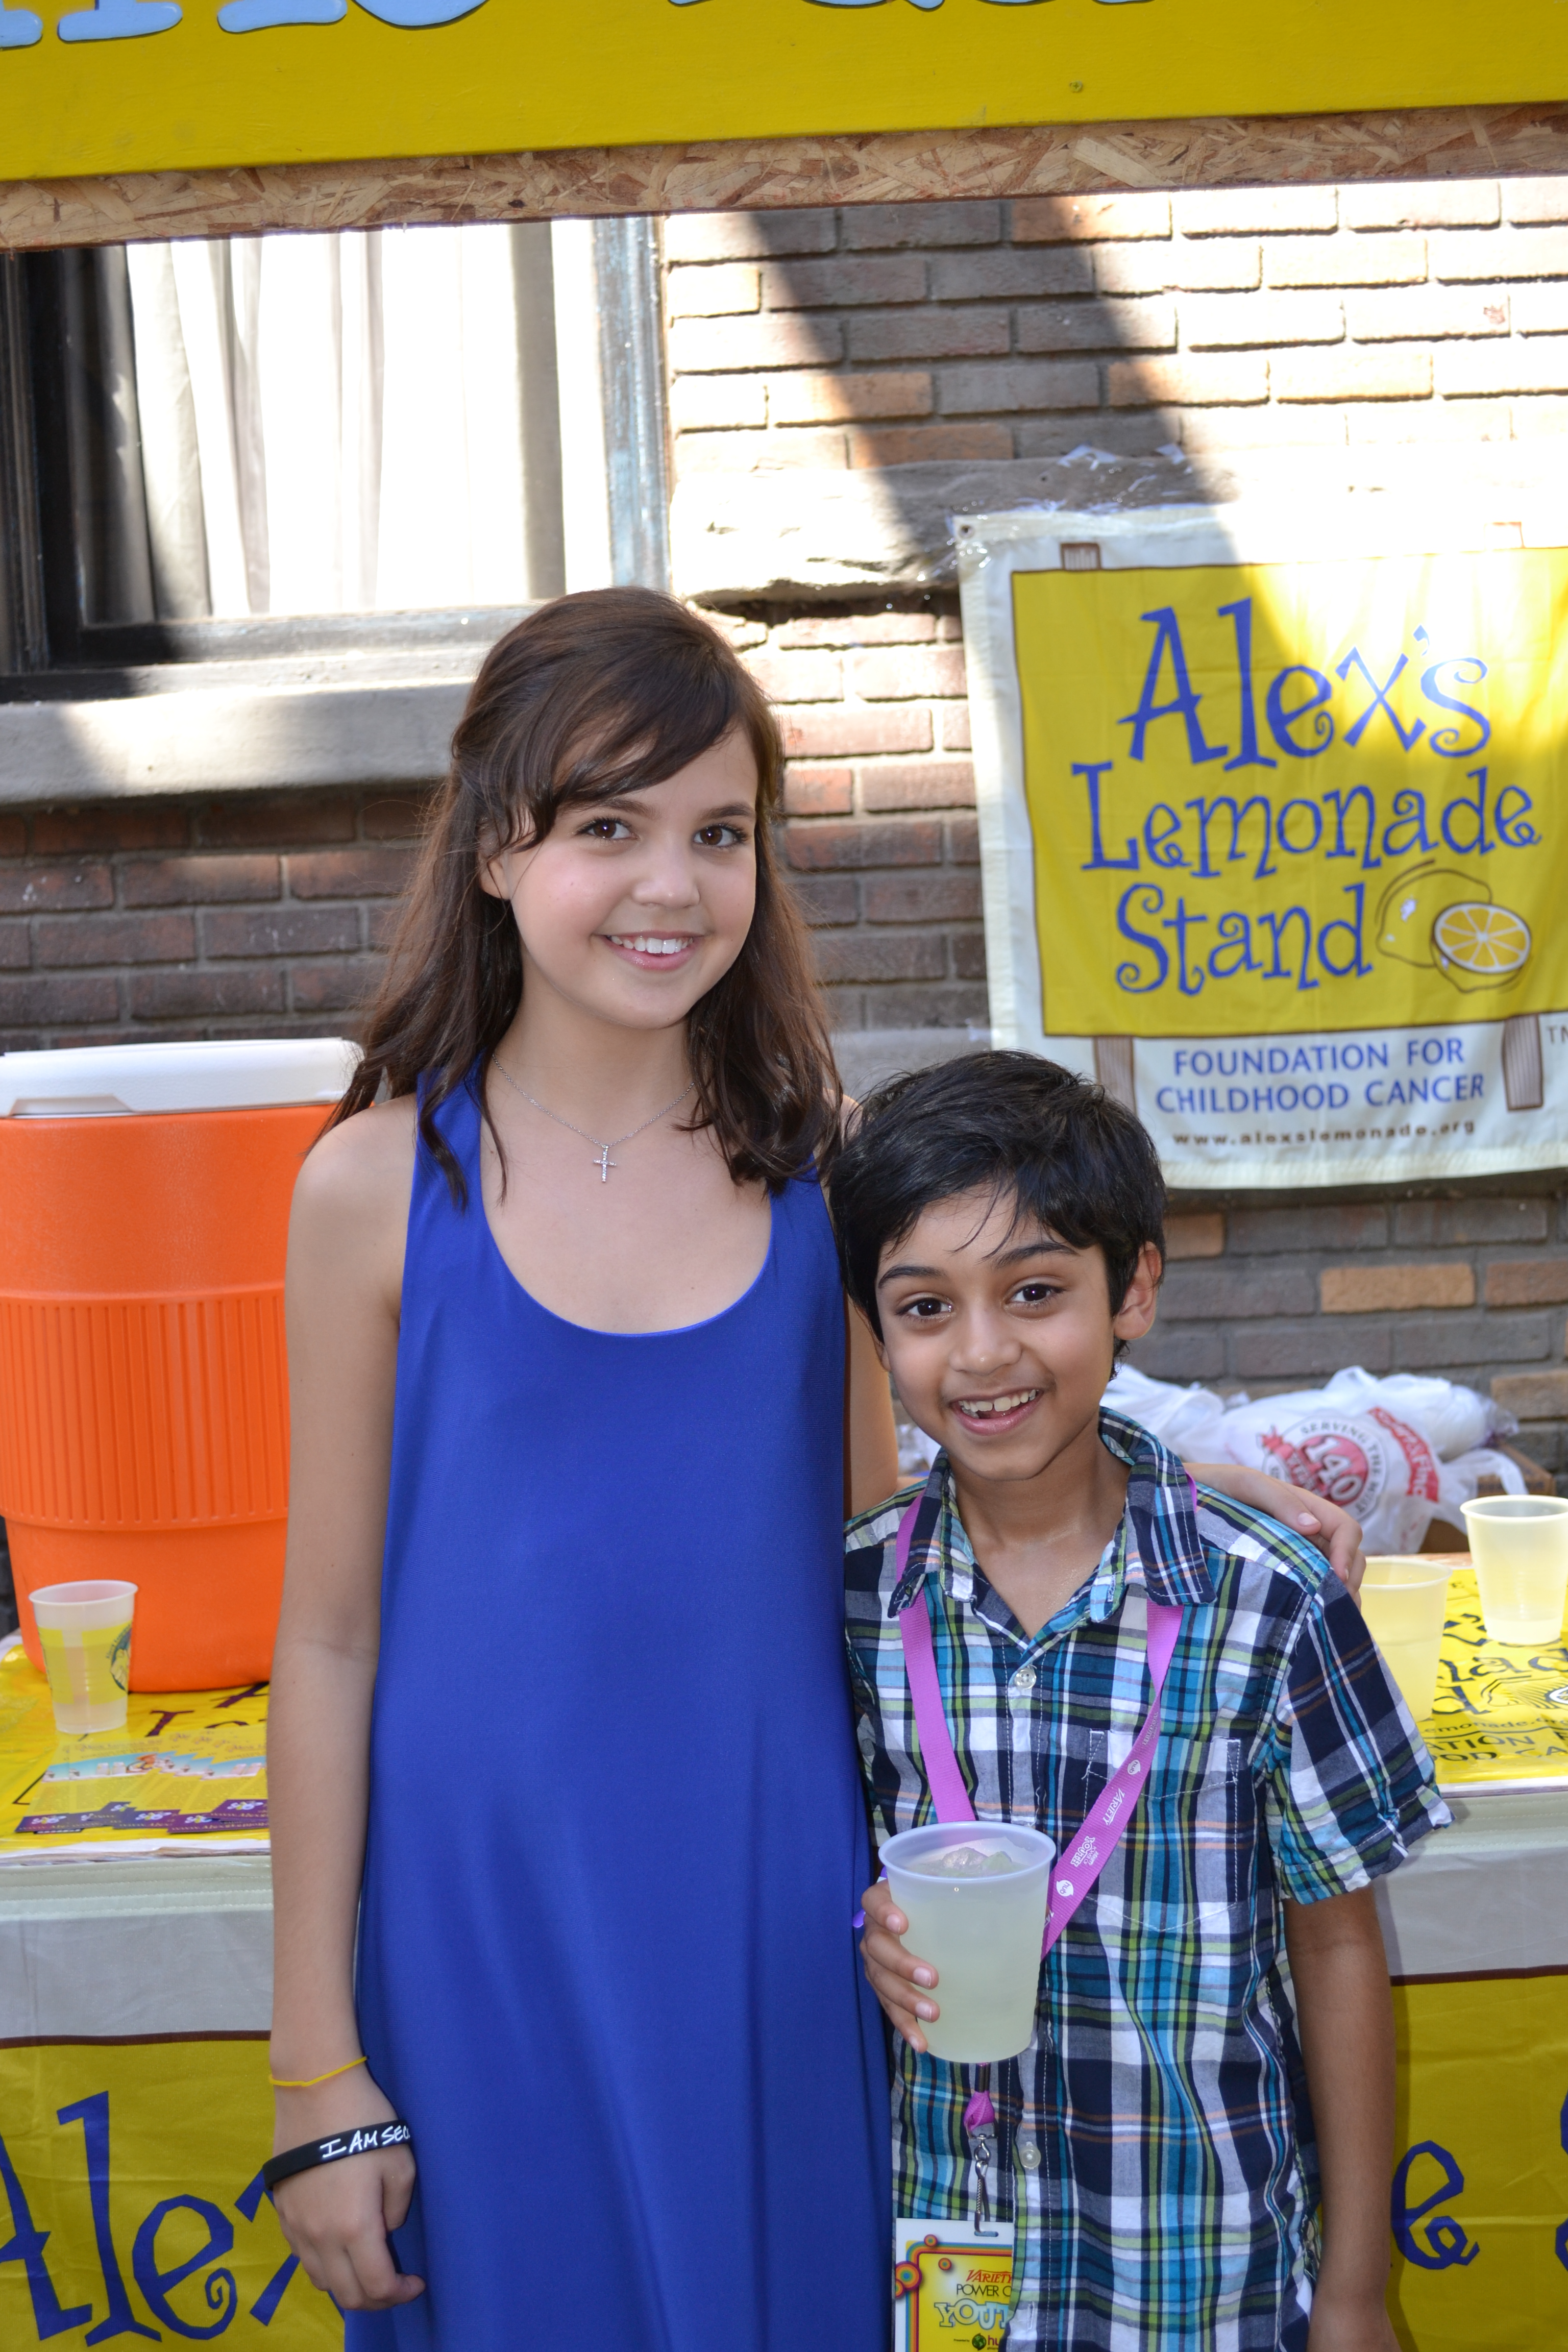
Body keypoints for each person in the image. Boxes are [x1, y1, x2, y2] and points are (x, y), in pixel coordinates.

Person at [266, 588, 1375, 2348]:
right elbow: (325, 1637)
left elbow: (935, 1502)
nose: (670, 883)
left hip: (781, 1927)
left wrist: (1216, 1480)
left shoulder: (818, 1186)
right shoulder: (376, 1192)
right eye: (606, 824)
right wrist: (317, 2056)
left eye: (720, 831)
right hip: (477, 1935)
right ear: (492, 846)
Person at [834, 1051, 1448, 2352]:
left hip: (1205, 2264)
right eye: (925, 1307)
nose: (985, 1351)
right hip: (951, 2253)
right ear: (875, 1330)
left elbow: (1339, 1949)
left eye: (1038, 1291)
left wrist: (1352, 2291)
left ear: (1137, 1291)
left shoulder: (1270, 1601)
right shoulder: (849, 1603)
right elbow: (813, 1871)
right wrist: (865, 1925)